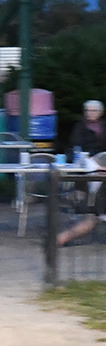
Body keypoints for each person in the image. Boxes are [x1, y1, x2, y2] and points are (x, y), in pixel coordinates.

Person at [57, 100, 106, 245]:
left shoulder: (104, 126)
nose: (90, 113)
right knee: (93, 217)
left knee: (93, 218)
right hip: (87, 163)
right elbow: (76, 145)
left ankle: (61, 238)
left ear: (100, 113)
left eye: (93, 110)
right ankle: (60, 238)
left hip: (101, 162)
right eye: (87, 110)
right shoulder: (80, 127)